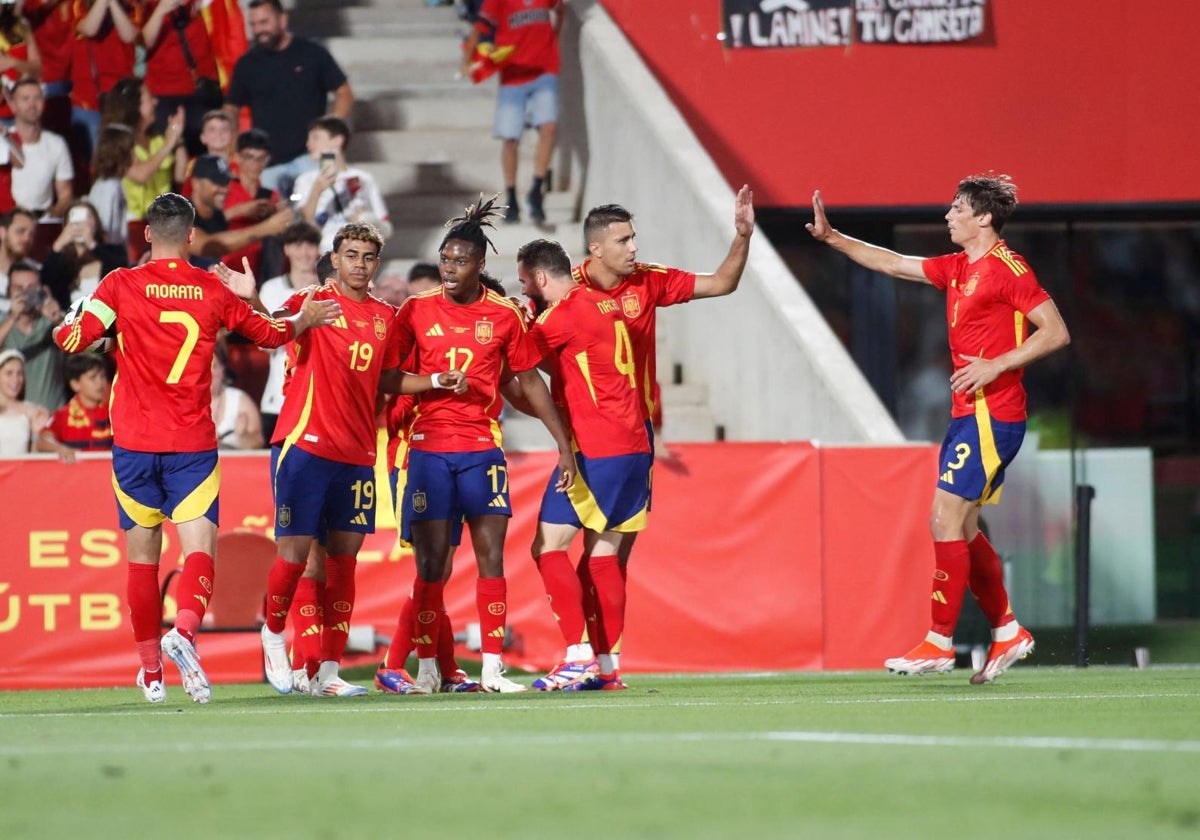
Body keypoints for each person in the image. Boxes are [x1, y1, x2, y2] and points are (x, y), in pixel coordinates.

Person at [53, 191, 341, 705]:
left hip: (134, 446)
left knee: (142, 562)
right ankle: (183, 632)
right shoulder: (211, 287)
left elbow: (73, 340)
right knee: (198, 554)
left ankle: (152, 674)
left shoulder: (119, 284)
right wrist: (296, 315)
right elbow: (273, 336)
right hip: (190, 442)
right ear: (190, 237)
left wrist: (70, 325)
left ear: (146, 234)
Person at [805, 173, 1071, 683]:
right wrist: (833, 238)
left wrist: (997, 365)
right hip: (967, 414)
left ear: (983, 218)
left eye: (956, 209)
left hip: (995, 414)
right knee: (964, 526)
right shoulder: (956, 267)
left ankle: (938, 642)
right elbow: (892, 262)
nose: (947, 216)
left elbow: (1056, 331)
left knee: (943, 520)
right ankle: (1008, 630)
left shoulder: (1008, 269)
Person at [254, 222, 467, 698]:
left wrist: (434, 382)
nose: (360, 264)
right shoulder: (312, 301)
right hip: (304, 444)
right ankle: (273, 635)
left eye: (369, 257)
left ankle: (328, 672)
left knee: (343, 564)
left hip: (356, 453)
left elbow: (388, 379)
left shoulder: (384, 317)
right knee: (296, 559)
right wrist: (252, 301)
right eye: (351, 255)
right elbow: (267, 331)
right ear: (334, 258)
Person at [393, 196, 575, 694]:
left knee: (491, 557)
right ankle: (428, 666)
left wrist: (562, 443)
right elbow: (387, 378)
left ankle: (493, 669)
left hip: (481, 448)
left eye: (460, 261)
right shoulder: (413, 311)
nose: (449, 269)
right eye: (444, 260)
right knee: (432, 565)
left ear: (480, 264)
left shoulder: (503, 315)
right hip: (428, 448)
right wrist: (430, 382)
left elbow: (530, 382)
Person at [512, 238, 653, 691]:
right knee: (604, 554)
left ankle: (576, 656)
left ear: (538, 278)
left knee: (548, 546)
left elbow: (516, 359)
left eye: (524, 283)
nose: (525, 290)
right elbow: (570, 362)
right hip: (634, 443)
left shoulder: (561, 315)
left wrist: (514, 318)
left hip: (598, 447)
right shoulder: (602, 303)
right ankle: (608, 670)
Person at [373, 263, 483, 696]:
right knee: (431, 571)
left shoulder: (443, 340)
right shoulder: (404, 352)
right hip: (413, 456)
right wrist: (429, 386)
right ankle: (394, 662)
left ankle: (447, 667)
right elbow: (389, 403)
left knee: (437, 571)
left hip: (448, 452)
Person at [224, 0, 353, 196]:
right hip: (267, 164)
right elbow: (231, 107)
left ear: (283, 20)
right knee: (276, 223)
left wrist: (328, 137)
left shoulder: (312, 54)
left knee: (320, 217)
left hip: (311, 159)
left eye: (264, 22)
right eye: (254, 24)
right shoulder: (247, 64)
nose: (259, 30)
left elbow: (344, 94)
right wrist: (233, 146)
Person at [461, 0, 563, 224]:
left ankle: (536, 188)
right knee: (510, 138)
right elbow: (481, 26)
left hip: (544, 68)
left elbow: (560, 8)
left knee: (549, 127)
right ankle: (512, 194)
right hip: (513, 74)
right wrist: (467, 60)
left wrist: (555, 39)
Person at [101, 77, 187, 261]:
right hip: (133, 226)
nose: (155, 102)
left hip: (163, 223)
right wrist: (169, 142)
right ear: (134, 105)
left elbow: (179, 175)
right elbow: (140, 175)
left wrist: (178, 139)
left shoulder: (157, 140)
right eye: (149, 99)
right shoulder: (118, 140)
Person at [257, 219, 321, 442]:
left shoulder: (328, 288)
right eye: (297, 245)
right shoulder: (272, 288)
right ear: (286, 249)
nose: (304, 253)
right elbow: (264, 344)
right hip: (278, 397)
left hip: (319, 398)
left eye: (310, 245)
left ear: (319, 250)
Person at [293, 116, 393, 254]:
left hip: (357, 253)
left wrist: (367, 220)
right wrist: (317, 189)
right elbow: (304, 225)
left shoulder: (364, 178)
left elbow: (387, 230)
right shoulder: (305, 180)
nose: (308, 144)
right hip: (322, 254)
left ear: (337, 140)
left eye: (315, 138)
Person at [141, 0, 221, 157]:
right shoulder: (147, 5)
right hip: (164, 93)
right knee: (171, 153)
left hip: (202, 88)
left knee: (206, 151)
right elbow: (142, 44)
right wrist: (161, 9)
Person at [187, 153, 293, 266]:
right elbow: (208, 246)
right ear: (196, 183)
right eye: (217, 182)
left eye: (226, 182)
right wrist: (267, 228)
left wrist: (240, 210)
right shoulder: (179, 213)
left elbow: (211, 223)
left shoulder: (215, 214)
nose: (224, 189)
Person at [69, 0, 139, 159]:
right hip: (88, 101)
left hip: (122, 100)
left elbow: (129, 36)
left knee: (125, 159)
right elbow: (89, 28)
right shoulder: (78, 5)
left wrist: (113, 4)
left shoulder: (132, 7)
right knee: (96, 162)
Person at [0, 261, 66, 410]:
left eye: (31, 288)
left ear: (41, 290)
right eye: (18, 288)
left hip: (51, 421)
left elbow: (82, 349)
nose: (25, 294)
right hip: (13, 423)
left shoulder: (52, 322)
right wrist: (13, 318)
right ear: (8, 291)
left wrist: (57, 319)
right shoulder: (3, 322)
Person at [41, 199, 128, 307]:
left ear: (96, 223)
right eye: (75, 218)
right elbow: (46, 282)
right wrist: (58, 244)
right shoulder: (60, 261)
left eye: (87, 217)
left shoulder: (113, 251)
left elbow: (120, 271)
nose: (81, 224)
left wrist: (92, 244)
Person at [9, 77, 74, 219]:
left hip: (42, 221)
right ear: (13, 105)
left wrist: (53, 214)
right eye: (25, 99)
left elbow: (65, 194)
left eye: (37, 98)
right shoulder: (4, 143)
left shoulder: (56, 144)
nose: (32, 105)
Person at [36, 350, 112, 462]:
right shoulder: (62, 416)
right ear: (75, 384)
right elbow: (43, 441)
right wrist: (60, 449)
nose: (100, 382)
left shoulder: (113, 413)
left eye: (102, 376)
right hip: (76, 477)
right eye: (93, 377)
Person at [211, 339, 263, 449]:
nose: (210, 373)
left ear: (223, 370)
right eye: (205, 367)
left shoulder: (240, 400)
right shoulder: (185, 402)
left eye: (214, 367)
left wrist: (243, 436)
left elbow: (258, 442)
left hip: (230, 463)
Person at [0, 348, 49, 455]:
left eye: (19, 373)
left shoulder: (32, 411)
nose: (15, 379)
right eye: (9, 373)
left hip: (21, 470)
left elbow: (35, 457)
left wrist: (36, 433)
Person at [0, 207, 38, 310]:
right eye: (20, 231)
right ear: (2, 232)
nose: (27, 239)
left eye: (31, 234)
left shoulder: (36, 270)